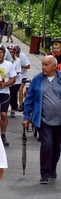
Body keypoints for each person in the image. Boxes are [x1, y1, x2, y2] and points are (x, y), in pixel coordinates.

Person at [22, 56, 61, 184]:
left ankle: (52, 168)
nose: (43, 67)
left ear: (54, 66)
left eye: (46, 65)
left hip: (59, 121)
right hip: (43, 120)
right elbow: (29, 99)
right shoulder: (37, 79)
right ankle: (44, 174)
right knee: (47, 145)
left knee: (56, 148)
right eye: (42, 64)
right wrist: (26, 117)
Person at [0, 44, 16, 145]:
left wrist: (4, 84)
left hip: (4, 93)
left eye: (1, 52)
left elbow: (13, 79)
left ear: (4, 54)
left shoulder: (9, 64)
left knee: (4, 114)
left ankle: (3, 135)